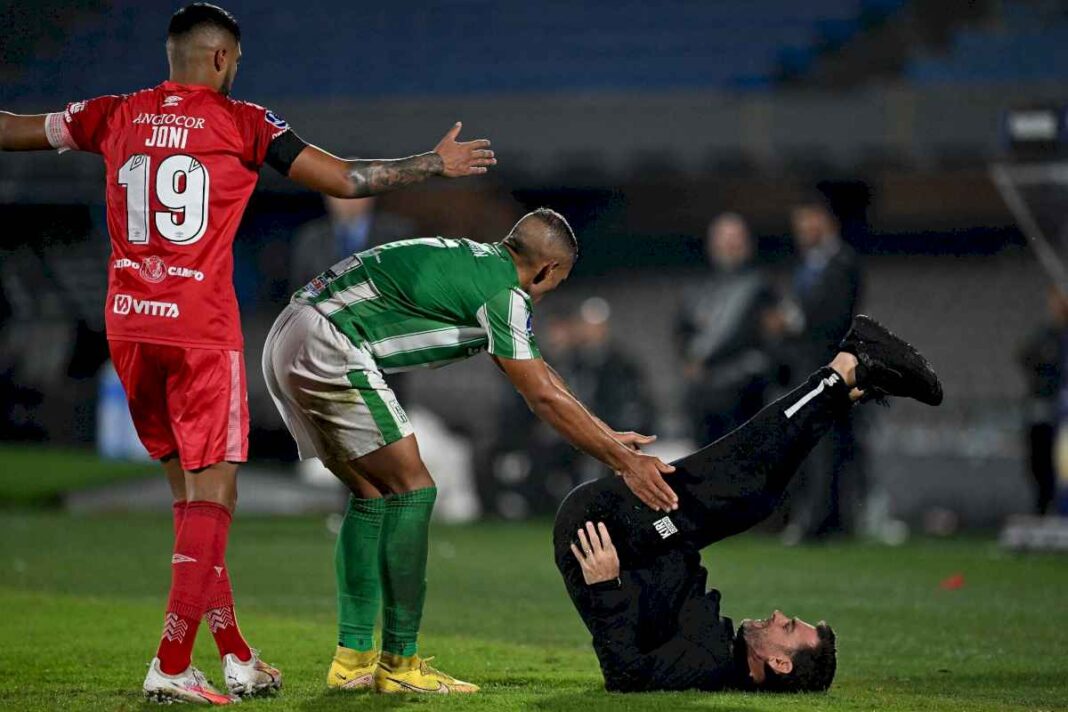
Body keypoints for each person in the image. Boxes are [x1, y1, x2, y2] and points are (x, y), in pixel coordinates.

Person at [0, 3, 496, 704]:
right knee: (215, 498)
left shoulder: (110, 113)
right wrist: (431, 165)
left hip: (131, 329)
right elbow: (348, 181)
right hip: (198, 333)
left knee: (190, 503)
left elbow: (14, 128)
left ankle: (234, 655)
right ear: (223, 60)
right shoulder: (245, 123)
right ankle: (172, 664)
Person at [262, 209, 678, 694]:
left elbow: (538, 373)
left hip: (290, 333)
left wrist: (605, 434)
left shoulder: (478, 263)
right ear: (546, 269)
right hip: (330, 342)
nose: (550, 292)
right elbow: (540, 393)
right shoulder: (506, 295)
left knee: (373, 495)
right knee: (414, 489)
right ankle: (400, 662)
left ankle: (352, 658)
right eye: (557, 281)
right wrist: (624, 461)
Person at [554, 315, 942, 692]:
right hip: (652, 540)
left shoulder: (707, 664)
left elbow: (626, 676)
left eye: (786, 627)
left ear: (779, 663)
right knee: (756, 498)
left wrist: (605, 586)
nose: (777, 615)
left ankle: (848, 367)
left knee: (743, 483)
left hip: (609, 535)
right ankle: (847, 390)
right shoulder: (721, 651)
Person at [783, 196, 864, 543]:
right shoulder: (810, 264)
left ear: (826, 221)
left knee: (826, 445)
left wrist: (792, 322)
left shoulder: (842, 262)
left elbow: (831, 319)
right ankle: (825, 519)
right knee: (818, 445)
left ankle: (821, 522)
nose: (801, 230)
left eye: (807, 221)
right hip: (810, 367)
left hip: (830, 367)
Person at [676, 213, 779, 443]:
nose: (729, 245)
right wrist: (689, 358)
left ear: (747, 244)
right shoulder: (700, 289)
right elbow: (683, 330)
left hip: (745, 395)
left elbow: (771, 340)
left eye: (735, 239)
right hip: (705, 397)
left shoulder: (761, 288)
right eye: (723, 239)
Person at [289, 196, 415, 293]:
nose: (347, 200)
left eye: (354, 193)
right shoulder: (310, 238)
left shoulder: (399, 234)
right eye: (338, 192)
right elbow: (300, 293)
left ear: (371, 194)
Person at [1019, 286, 1068, 515]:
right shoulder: (1045, 337)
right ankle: (1042, 506)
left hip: (1063, 413)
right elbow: (1025, 357)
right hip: (1045, 410)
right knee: (1040, 461)